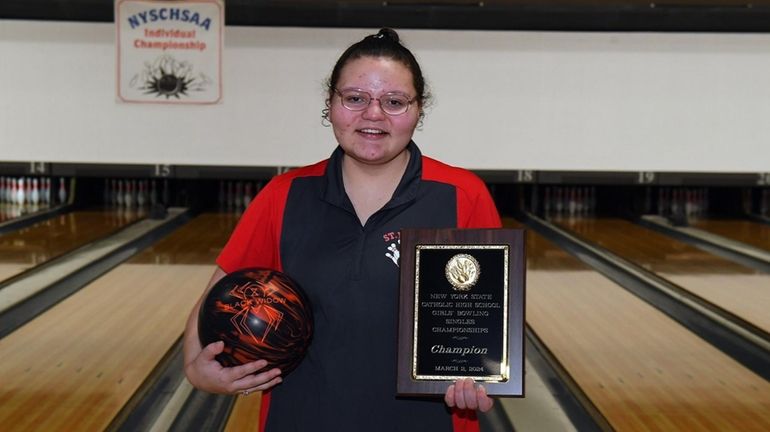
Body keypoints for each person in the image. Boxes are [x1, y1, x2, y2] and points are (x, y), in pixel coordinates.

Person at [183, 28, 501, 431]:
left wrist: (482, 376)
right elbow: (214, 303)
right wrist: (198, 373)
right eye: (355, 98)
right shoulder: (284, 196)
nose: (374, 115)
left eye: (394, 102)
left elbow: (487, 330)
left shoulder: (462, 196)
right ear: (330, 105)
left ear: (419, 110)